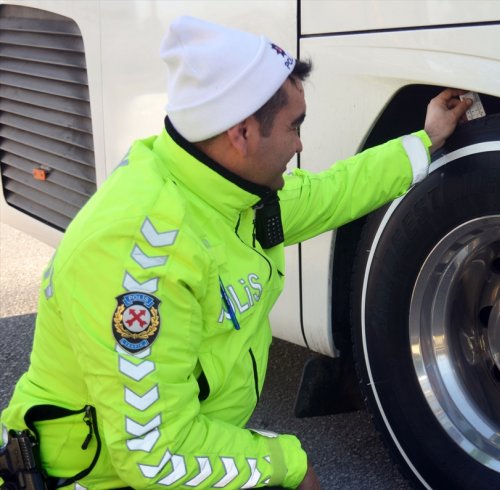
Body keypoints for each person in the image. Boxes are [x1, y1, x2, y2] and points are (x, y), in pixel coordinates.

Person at [0, 15, 471, 489]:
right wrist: (288, 462)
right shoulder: (140, 259)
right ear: (241, 133)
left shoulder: (219, 188)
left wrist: (424, 140)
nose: (301, 142)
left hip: (152, 451)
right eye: (295, 126)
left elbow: (330, 192)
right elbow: (156, 457)